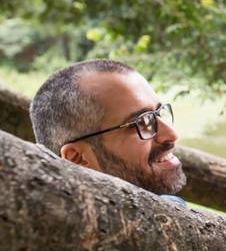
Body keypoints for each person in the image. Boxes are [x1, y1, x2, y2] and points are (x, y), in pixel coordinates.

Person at [29, 59, 186, 198]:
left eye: (159, 112)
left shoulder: (172, 207)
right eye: (141, 122)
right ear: (77, 158)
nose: (172, 134)